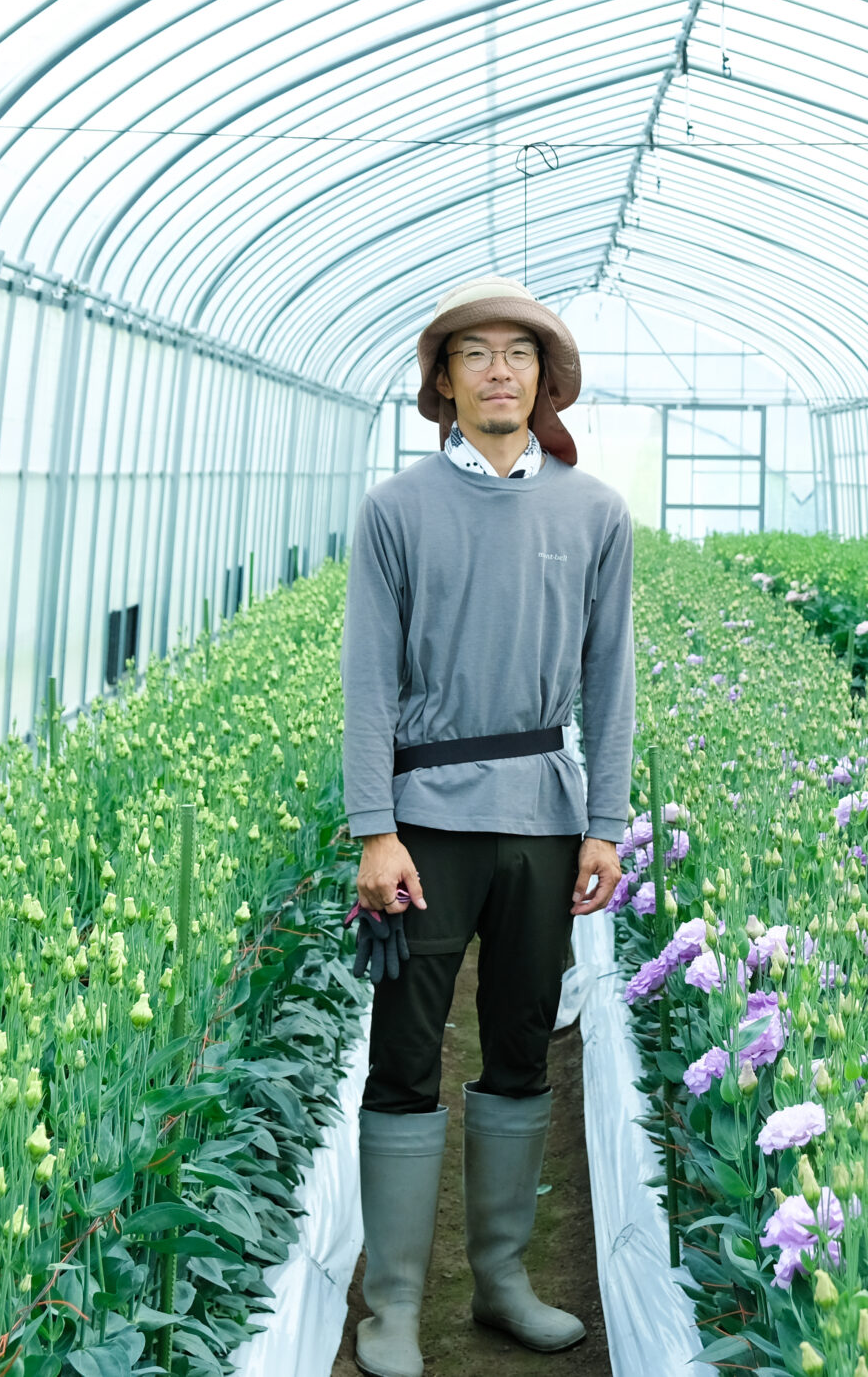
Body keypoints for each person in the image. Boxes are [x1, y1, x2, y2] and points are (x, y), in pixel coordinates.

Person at [340, 276, 633, 1377]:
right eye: (475, 354)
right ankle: (395, 1309)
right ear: (443, 384)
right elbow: (368, 680)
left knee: (520, 1043)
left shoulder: (593, 511)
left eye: (519, 354)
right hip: (426, 820)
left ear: (545, 381)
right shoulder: (397, 510)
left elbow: (612, 681)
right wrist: (377, 827)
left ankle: (503, 1284)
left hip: (544, 823)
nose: (499, 370)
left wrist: (603, 821)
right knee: (406, 1053)